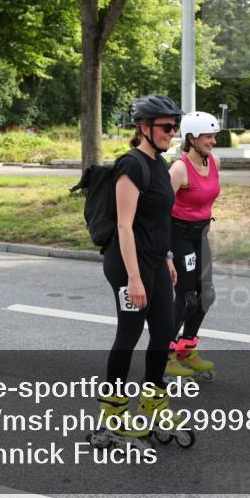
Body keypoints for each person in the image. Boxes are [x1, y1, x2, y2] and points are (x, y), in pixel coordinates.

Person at [92, 94, 192, 450]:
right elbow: (124, 226)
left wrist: (166, 256)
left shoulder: (161, 166)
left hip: (154, 259)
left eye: (174, 126)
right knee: (130, 333)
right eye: (167, 126)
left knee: (165, 329)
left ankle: (152, 403)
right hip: (126, 263)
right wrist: (134, 278)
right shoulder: (131, 166)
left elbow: (160, 219)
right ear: (144, 127)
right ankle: (112, 414)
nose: (172, 132)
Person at [165, 111, 222, 382]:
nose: (213, 141)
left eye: (214, 136)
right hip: (178, 236)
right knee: (187, 296)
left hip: (201, 235)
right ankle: (164, 354)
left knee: (206, 294)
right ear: (192, 138)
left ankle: (187, 349)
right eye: (208, 136)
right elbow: (159, 212)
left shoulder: (214, 162)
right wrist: (166, 252)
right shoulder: (179, 169)